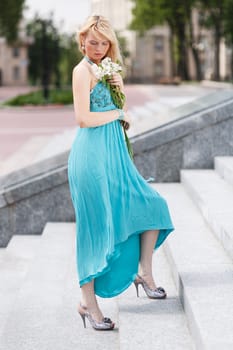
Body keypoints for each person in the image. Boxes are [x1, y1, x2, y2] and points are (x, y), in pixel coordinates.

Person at [67, 15, 174, 331]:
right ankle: (89, 305)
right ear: (82, 40)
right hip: (90, 159)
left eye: (104, 43)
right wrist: (116, 113)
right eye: (93, 41)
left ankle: (144, 274)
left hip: (114, 157)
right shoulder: (82, 70)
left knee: (152, 204)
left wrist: (119, 102)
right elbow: (83, 118)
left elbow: (120, 111)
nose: (98, 48)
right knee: (94, 229)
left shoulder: (108, 70)